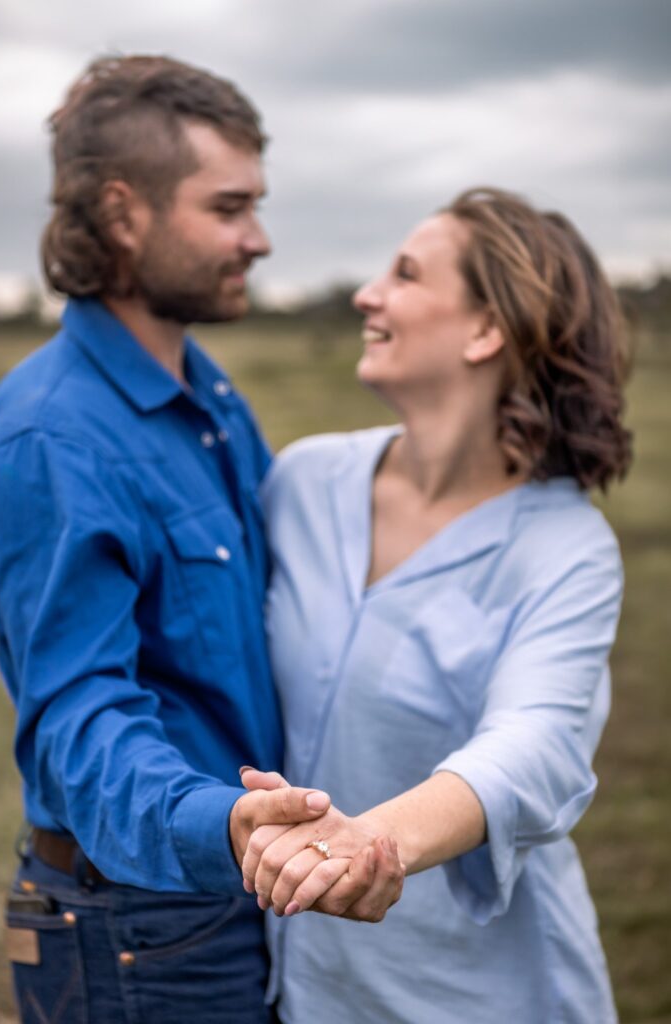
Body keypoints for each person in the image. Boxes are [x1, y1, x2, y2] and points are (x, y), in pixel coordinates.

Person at [0, 55, 401, 1024]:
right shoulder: (51, 440)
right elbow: (80, 724)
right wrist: (229, 826)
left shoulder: (210, 400)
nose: (260, 239)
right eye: (230, 207)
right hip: (140, 928)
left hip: (242, 892)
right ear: (125, 214)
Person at [242, 187, 632, 1023]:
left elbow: (538, 743)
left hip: (487, 996)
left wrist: (370, 843)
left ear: (487, 330)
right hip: (310, 992)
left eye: (406, 275)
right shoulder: (303, 482)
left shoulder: (564, 548)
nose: (365, 294)